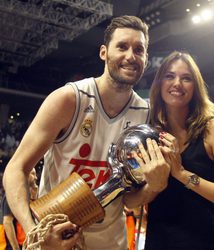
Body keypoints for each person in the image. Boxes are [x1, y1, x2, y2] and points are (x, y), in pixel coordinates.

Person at [3, 15, 153, 250]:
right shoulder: (69, 99)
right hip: (57, 241)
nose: (130, 56)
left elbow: (130, 199)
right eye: (122, 46)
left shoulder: (146, 114)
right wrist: (35, 232)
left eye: (139, 50)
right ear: (103, 52)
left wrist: (155, 184)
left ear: (146, 58)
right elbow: (15, 168)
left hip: (112, 243)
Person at [126, 51, 214, 249]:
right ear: (159, 84)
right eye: (169, 76)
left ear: (195, 87)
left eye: (186, 78)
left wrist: (182, 174)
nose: (177, 84)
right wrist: (154, 186)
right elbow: (130, 202)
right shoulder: (148, 135)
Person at [0, 168, 38, 250]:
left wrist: (34, 196)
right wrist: (15, 248)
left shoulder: (25, 193)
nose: (36, 177)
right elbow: (7, 222)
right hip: (9, 245)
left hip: (23, 243)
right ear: (25, 175)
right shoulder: (12, 193)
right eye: (33, 174)